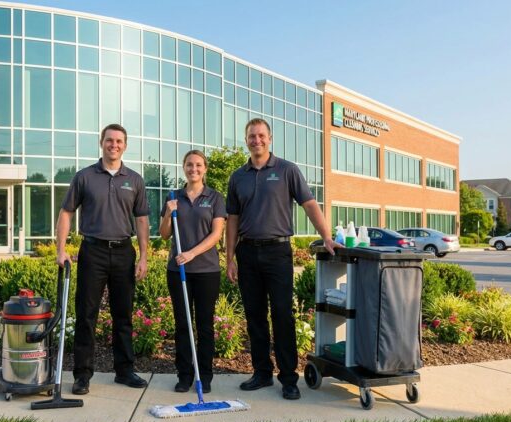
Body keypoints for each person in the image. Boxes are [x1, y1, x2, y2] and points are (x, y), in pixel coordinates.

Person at [225, 118, 339, 400]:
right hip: (247, 252)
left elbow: (309, 204)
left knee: (282, 315)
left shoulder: (287, 170)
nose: (257, 140)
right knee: (254, 317)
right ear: (246, 140)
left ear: (270, 138)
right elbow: (232, 220)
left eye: (261, 135)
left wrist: (326, 236)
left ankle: (288, 378)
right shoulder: (237, 176)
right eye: (252, 136)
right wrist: (229, 258)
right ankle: (262, 373)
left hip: (277, 252)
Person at [55, 123, 150, 395]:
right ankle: (82, 375)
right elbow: (65, 213)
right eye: (110, 140)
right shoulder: (84, 176)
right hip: (92, 251)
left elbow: (142, 220)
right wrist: (60, 250)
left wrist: (143, 256)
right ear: (102, 142)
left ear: (125, 145)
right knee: (86, 314)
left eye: (119, 141)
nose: (114, 145)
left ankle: (125, 371)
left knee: (124, 315)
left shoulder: (135, 179)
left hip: (123, 252)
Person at [159, 150, 226, 394]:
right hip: (177, 271)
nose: (193, 169)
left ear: (204, 169)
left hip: (207, 270)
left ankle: (204, 375)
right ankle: (185, 375)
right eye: (189, 164)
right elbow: (164, 233)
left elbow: (216, 235)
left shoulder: (215, 198)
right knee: (183, 324)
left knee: (205, 325)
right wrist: (169, 211)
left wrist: (191, 253)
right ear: (183, 167)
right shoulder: (173, 196)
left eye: (198, 165)